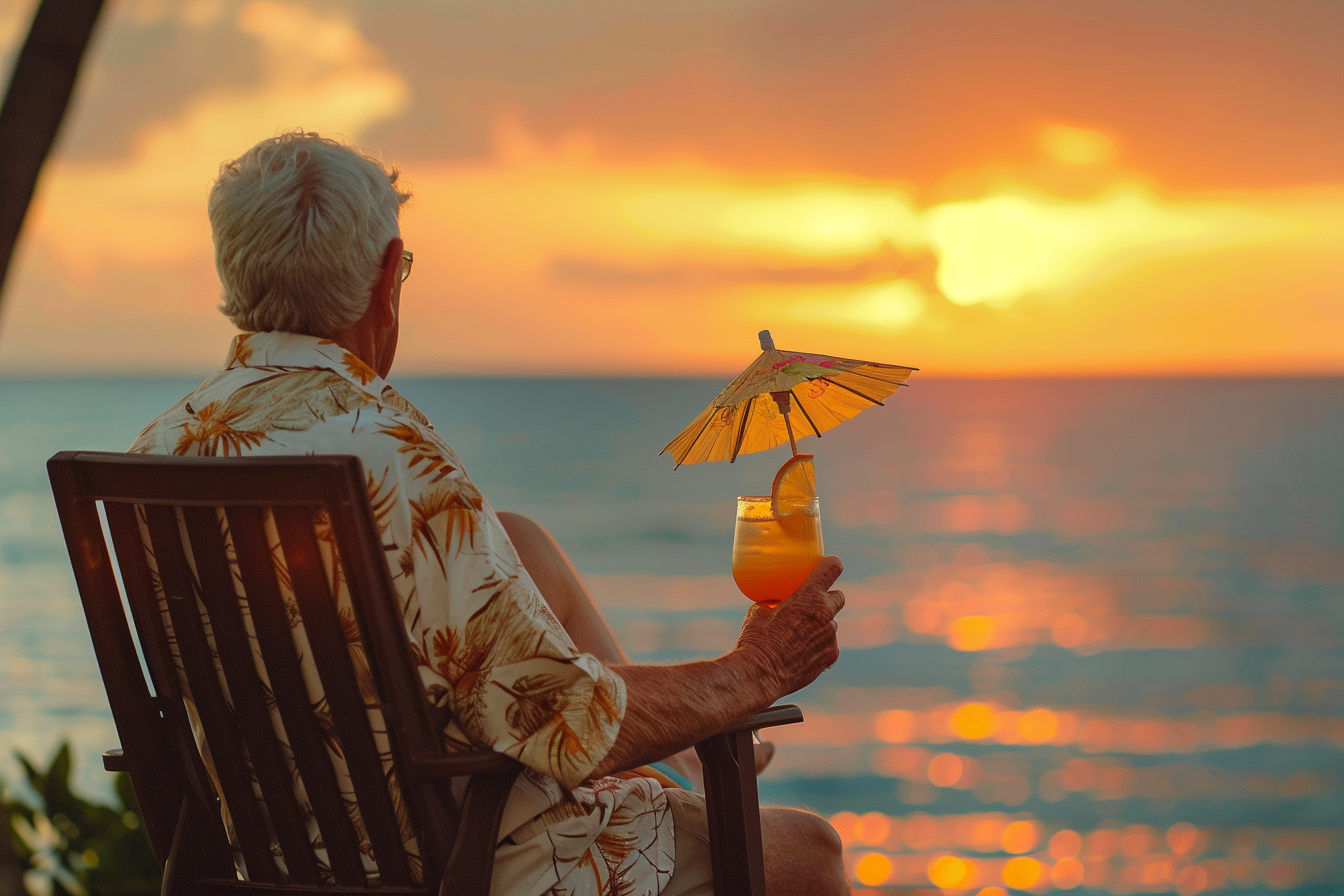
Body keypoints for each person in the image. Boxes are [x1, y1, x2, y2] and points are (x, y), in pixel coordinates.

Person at [130, 131, 848, 896]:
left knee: (517, 541)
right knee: (810, 849)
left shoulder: (159, 454)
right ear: (386, 277)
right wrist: (755, 670)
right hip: (461, 862)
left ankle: (678, 769)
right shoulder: (390, 455)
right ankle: (685, 769)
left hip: (273, 861)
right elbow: (563, 725)